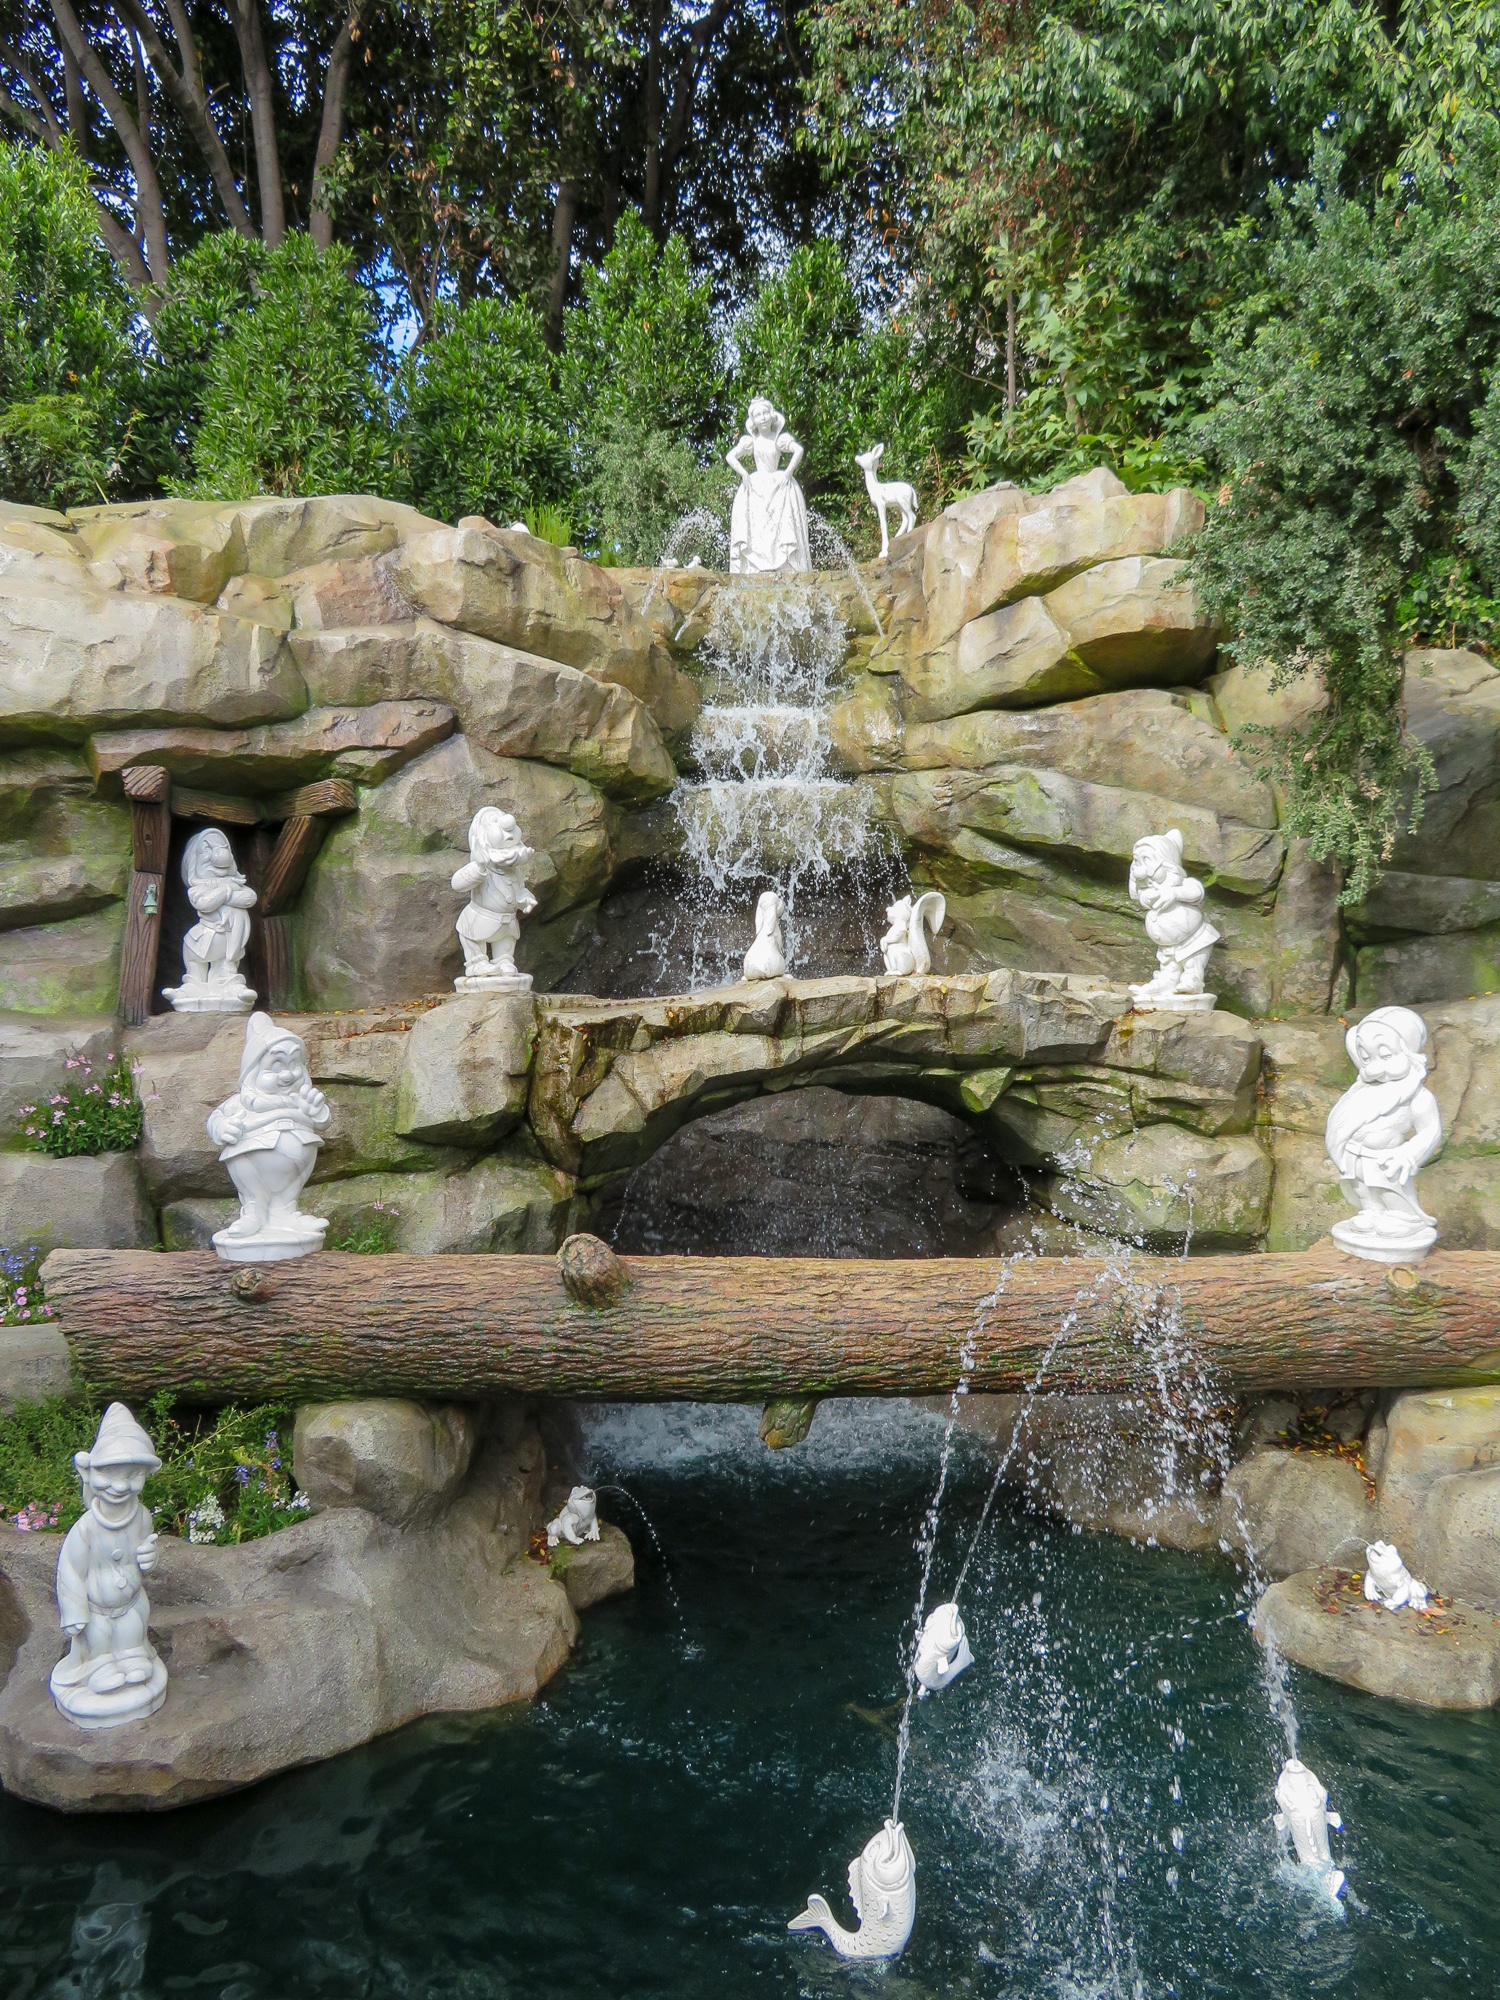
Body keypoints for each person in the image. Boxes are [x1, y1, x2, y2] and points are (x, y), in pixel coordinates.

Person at [727, 398, 812, 574]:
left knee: (781, 523)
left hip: (778, 483)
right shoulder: (751, 441)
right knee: (758, 526)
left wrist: (788, 473)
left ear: (772, 416)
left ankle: (785, 564)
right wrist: (743, 473)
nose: (763, 417)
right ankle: (756, 566)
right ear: (754, 421)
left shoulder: (779, 439)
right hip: (756, 485)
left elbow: (799, 450)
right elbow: (730, 457)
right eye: (758, 415)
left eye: (766, 413)